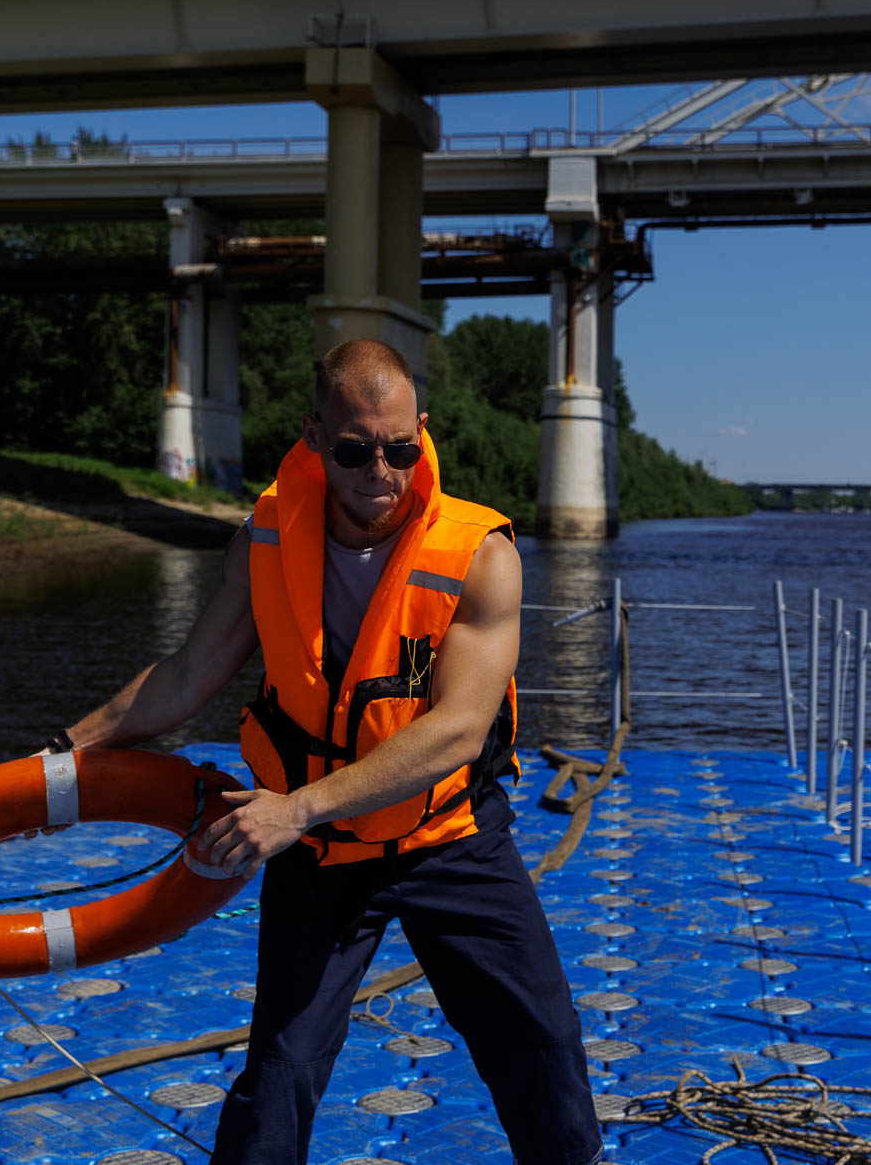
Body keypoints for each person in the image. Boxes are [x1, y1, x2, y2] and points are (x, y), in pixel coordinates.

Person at [54, 338, 602, 1165]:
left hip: (445, 838)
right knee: (281, 1067)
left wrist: (297, 807)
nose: (380, 471)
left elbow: (457, 729)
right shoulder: (266, 540)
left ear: (422, 432)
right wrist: (59, 757)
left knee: (542, 1040)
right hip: (320, 851)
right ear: (314, 437)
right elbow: (186, 676)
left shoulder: (479, 555)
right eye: (354, 450)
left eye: (399, 449)